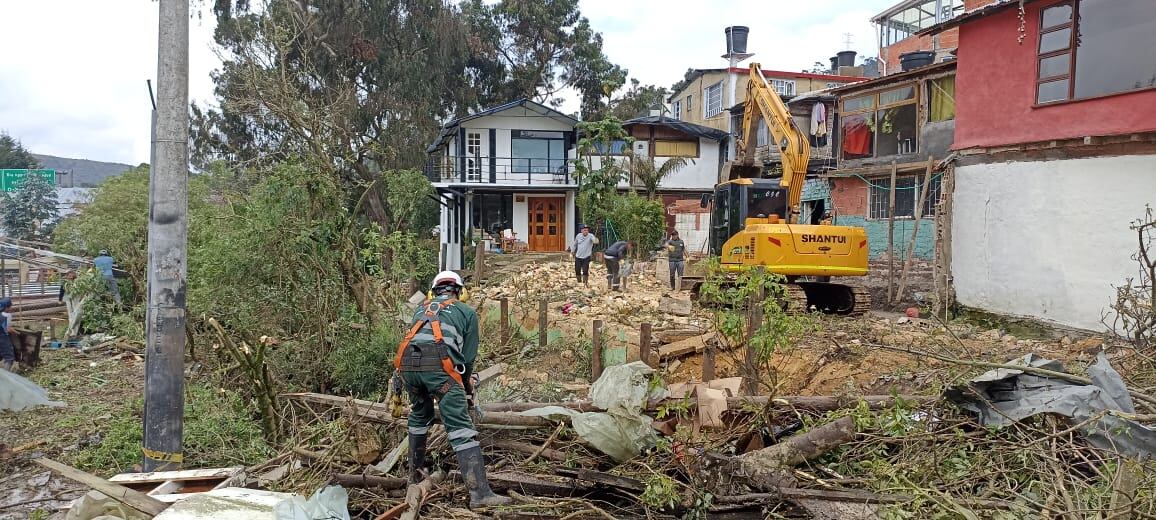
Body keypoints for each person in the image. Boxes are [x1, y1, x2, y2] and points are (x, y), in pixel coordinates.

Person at [392, 271, 510, 509]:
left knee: (419, 415)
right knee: (460, 428)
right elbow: (466, 359)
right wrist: (465, 389)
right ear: (460, 291)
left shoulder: (420, 309)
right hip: (439, 369)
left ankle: (414, 477)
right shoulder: (466, 312)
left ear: (432, 292)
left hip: (407, 368)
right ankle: (480, 494)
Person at [0, 298, 14, 371]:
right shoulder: (7, 315)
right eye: (10, 306)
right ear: (6, 307)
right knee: (9, 358)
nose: (11, 308)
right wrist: (17, 332)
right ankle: (5, 378)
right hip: (3, 338)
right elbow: (7, 329)